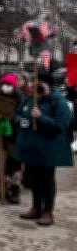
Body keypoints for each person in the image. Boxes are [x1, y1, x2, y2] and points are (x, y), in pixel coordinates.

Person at [15, 70, 74, 226]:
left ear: (49, 85)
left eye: (40, 84)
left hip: (49, 149)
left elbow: (61, 126)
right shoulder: (30, 100)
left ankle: (48, 211)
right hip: (31, 147)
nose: (36, 87)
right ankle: (36, 207)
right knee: (34, 179)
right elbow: (17, 114)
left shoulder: (58, 102)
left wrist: (41, 117)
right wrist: (21, 121)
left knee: (46, 180)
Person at [0, 74, 23, 203]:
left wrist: (9, 116)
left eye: (9, 84)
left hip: (14, 137)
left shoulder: (19, 99)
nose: (6, 87)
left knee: (15, 164)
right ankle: (3, 189)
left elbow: (21, 118)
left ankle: (15, 190)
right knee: (2, 164)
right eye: (4, 84)